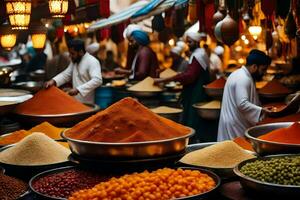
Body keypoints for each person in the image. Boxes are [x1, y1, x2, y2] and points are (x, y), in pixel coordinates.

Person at [154, 31, 210, 142]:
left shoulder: (199, 55)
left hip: (196, 92)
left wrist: (166, 79)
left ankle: (192, 143)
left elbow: (190, 76)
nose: (188, 44)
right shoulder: (198, 54)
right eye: (187, 42)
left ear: (197, 41)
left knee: (192, 120)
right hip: (193, 91)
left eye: (190, 42)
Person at [217, 49, 274, 141]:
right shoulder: (243, 78)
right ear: (254, 66)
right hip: (235, 124)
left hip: (233, 120)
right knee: (237, 151)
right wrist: (262, 110)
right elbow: (242, 103)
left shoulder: (239, 74)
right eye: (263, 69)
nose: (264, 73)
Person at [44, 39, 102, 104]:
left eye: (72, 53)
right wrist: (53, 81)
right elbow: (66, 74)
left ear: (80, 52)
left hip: (87, 102)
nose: (70, 56)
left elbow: (97, 80)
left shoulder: (92, 61)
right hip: (75, 101)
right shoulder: (75, 61)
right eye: (70, 53)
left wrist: (78, 90)